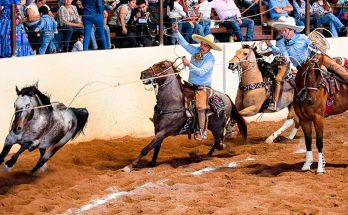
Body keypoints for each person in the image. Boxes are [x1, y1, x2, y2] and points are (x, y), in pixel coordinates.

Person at [269, 16, 348, 109]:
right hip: (302, 67)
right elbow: (285, 55)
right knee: (317, 75)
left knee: (333, 66)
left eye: (285, 30)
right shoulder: (281, 42)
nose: (282, 32)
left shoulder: (302, 37)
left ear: (292, 30)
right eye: (282, 30)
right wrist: (278, 52)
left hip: (315, 58)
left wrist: (315, 44)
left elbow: (314, 47)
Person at [171, 22, 222, 140]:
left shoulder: (211, 59)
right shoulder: (196, 51)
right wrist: (176, 32)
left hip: (202, 87)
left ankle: (201, 131)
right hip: (191, 85)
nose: (202, 46)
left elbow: (201, 72)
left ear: (210, 48)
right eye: (202, 44)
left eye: (205, 45)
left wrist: (189, 64)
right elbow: (184, 44)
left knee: (200, 108)